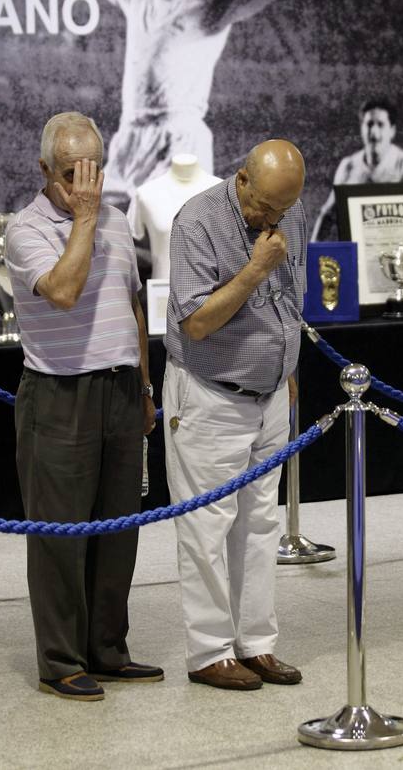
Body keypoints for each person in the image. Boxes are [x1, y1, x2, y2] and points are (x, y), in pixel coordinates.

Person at [67, 0, 345, 207]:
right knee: (100, 230)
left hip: (179, 141)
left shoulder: (211, 2)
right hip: (129, 138)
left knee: (174, 234)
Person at [5, 111, 162, 701]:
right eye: (73, 173)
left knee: (118, 529)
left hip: (121, 391)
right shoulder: (26, 228)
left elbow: (132, 304)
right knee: (59, 536)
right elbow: (65, 291)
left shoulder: (117, 222)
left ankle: (108, 649)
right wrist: (86, 220)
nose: (86, 185)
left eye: (95, 170)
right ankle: (61, 660)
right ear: (45, 169)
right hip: (59, 394)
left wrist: (144, 388)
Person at [163, 138, 306, 690]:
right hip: (210, 394)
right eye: (265, 207)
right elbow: (197, 322)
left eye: (283, 210)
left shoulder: (287, 208)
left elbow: (289, 298)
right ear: (242, 179)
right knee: (206, 527)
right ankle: (209, 652)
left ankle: (256, 644)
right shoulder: (197, 221)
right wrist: (255, 269)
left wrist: (286, 365)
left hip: (269, 396)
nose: (273, 219)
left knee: (261, 524)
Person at [311, 98, 403, 240]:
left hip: (397, 248)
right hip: (358, 248)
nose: (374, 132)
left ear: (392, 131)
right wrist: (312, 249)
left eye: (381, 125)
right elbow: (328, 215)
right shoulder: (348, 167)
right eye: (369, 124)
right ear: (361, 128)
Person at [127, 152, 220, 279]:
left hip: (212, 289)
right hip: (162, 288)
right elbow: (133, 240)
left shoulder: (223, 193)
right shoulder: (145, 194)